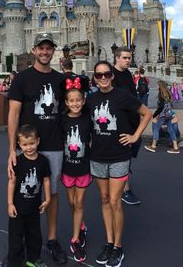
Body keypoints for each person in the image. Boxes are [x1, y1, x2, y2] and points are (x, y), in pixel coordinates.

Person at [8, 33, 67, 264]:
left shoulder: (61, 79)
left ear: (53, 51)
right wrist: (12, 149)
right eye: (41, 48)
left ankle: (51, 240)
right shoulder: (22, 79)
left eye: (48, 48)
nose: (45, 52)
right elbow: (13, 114)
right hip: (26, 147)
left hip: (53, 146)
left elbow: (72, 108)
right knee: (23, 192)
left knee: (51, 192)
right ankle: (20, 245)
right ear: (34, 50)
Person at [86, 60, 151, 267]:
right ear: (94, 78)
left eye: (106, 74)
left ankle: (118, 247)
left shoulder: (123, 96)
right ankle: (109, 242)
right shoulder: (91, 99)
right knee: (105, 200)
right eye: (99, 75)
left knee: (115, 202)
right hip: (97, 157)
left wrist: (135, 136)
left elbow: (147, 114)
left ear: (112, 75)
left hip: (119, 156)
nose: (103, 78)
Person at [6, 124, 51, 267]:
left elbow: (46, 180)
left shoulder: (43, 161)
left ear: (37, 141)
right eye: (25, 145)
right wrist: (10, 204)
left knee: (34, 236)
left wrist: (48, 198)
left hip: (34, 208)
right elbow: (12, 183)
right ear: (19, 145)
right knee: (15, 236)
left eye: (32, 143)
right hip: (18, 209)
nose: (29, 147)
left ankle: (33, 258)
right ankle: (14, 260)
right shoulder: (17, 162)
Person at [60, 76, 92, 263]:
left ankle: (75, 239)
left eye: (78, 100)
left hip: (83, 167)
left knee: (79, 203)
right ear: (66, 102)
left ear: (84, 100)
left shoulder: (88, 119)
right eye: (71, 101)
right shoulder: (62, 120)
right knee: (72, 203)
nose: (75, 104)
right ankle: (81, 225)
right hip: (67, 168)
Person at [112, 46, 142, 205]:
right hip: (119, 124)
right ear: (117, 57)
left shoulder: (127, 75)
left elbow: (133, 97)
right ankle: (125, 190)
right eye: (125, 58)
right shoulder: (111, 75)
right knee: (123, 156)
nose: (128, 60)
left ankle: (121, 183)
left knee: (128, 156)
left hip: (132, 123)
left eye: (129, 58)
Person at [144, 80, 180, 154]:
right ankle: (175, 147)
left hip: (163, 114)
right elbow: (170, 104)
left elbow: (160, 107)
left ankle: (153, 146)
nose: (156, 86)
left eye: (157, 85)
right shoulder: (168, 93)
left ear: (160, 86)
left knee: (156, 127)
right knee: (170, 129)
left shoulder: (161, 94)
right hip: (168, 114)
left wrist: (154, 116)